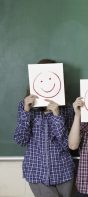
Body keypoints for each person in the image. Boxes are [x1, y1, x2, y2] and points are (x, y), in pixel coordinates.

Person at [14, 59, 75, 197]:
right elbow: (21, 140)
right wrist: (26, 112)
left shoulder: (67, 108)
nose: (47, 83)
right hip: (36, 172)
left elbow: (68, 145)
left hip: (63, 172)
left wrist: (56, 115)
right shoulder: (24, 107)